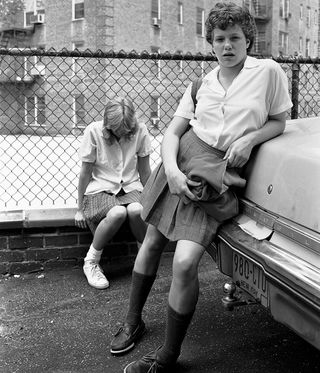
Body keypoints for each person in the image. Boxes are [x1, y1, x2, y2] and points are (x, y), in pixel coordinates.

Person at [111, 2, 293, 372]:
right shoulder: (202, 83)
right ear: (211, 44)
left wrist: (249, 140)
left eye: (235, 38)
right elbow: (174, 132)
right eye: (220, 39)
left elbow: (279, 120)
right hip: (180, 163)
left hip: (214, 175)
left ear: (248, 40)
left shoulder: (268, 72)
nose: (227, 46)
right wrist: (173, 172)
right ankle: (133, 319)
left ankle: (167, 357)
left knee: (185, 261)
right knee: (152, 242)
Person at [75, 97, 152, 289]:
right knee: (118, 212)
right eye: (116, 129)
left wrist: (151, 200)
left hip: (131, 186)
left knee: (136, 210)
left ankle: (144, 260)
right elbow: (85, 172)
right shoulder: (94, 131)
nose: (121, 133)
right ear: (108, 124)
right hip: (100, 188)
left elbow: (145, 171)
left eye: (125, 130)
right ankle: (91, 262)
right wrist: (79, 208)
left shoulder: (140, 130)